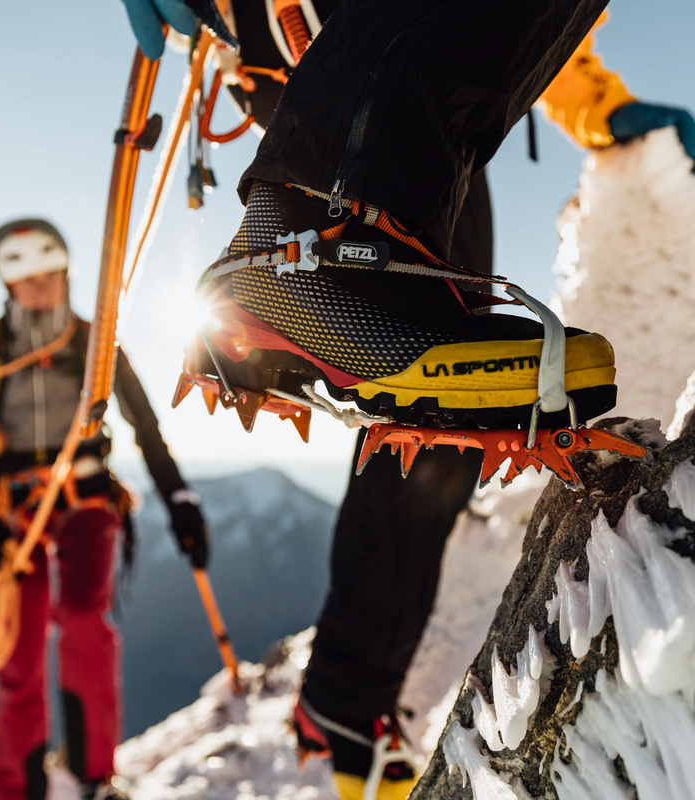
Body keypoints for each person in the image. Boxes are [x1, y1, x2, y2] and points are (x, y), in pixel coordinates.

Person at [122, 2, 695, 798]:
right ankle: (307, 245)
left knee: (439, 399)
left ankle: (348, 702)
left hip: (385, 100)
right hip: (330, 69)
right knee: (411, 350)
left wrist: (596, 103)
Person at [0, 218, 208, 800]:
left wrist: (179, 499)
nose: (39, 286)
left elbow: (145, 425)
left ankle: (93, 777)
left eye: (48, 274)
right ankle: (20, 789)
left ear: (65, 273)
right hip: (15, 514)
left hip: (85, 500)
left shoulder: (97, 342)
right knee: (20, 654)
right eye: (26, 278)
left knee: (85, 621)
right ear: (8, 285)